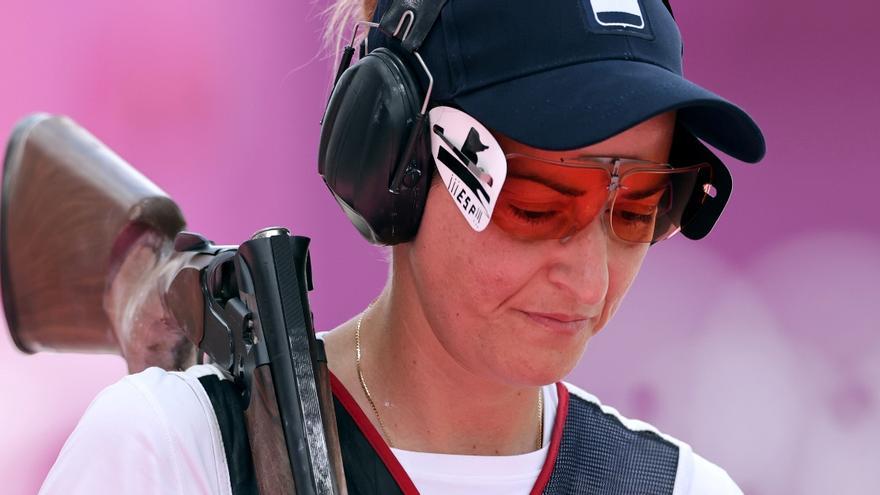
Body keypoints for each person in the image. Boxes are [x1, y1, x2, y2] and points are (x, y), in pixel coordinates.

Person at [39, 0, 765, 494]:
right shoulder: (174, 451)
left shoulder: (679, 486)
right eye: (538, 204)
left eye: (641, 208)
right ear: (395, 159)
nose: (589, 278)